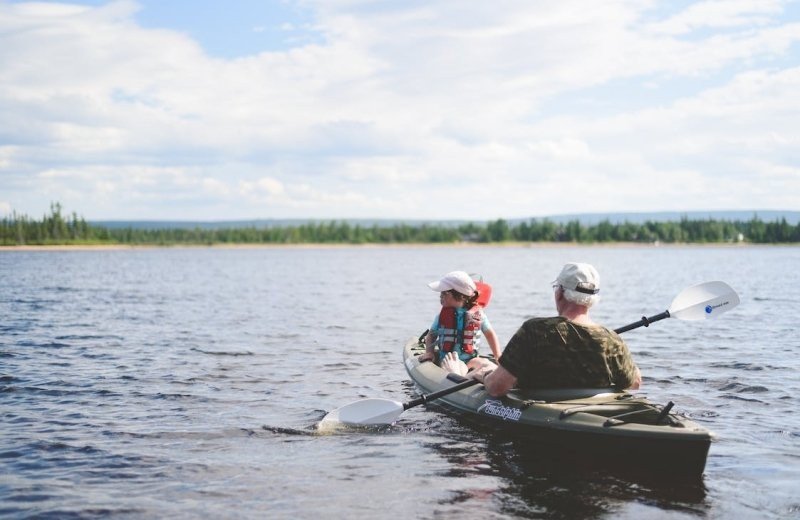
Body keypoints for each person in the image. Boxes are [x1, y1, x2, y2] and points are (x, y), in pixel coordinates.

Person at [445, 262, 641, 396]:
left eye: (556, 287)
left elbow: (497, 388)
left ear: (560, 293)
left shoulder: (535, 330)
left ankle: (461, 370)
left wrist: (483, 375)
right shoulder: (612, 340)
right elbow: (634, 383)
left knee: (483, 368)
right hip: (591, 412)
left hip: (540, 412)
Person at [420, 271, 501, 371]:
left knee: (484, 363)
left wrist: (498, 356)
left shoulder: (479, 315)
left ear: (460, 296)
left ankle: (492, 376)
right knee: (460, 368)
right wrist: (430, 352)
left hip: (471, 359)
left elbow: (490, 334)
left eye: (444, 293)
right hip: (448, 359)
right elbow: (431, 335)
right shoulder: (441, 316)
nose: (440, 296)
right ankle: (466, 377)